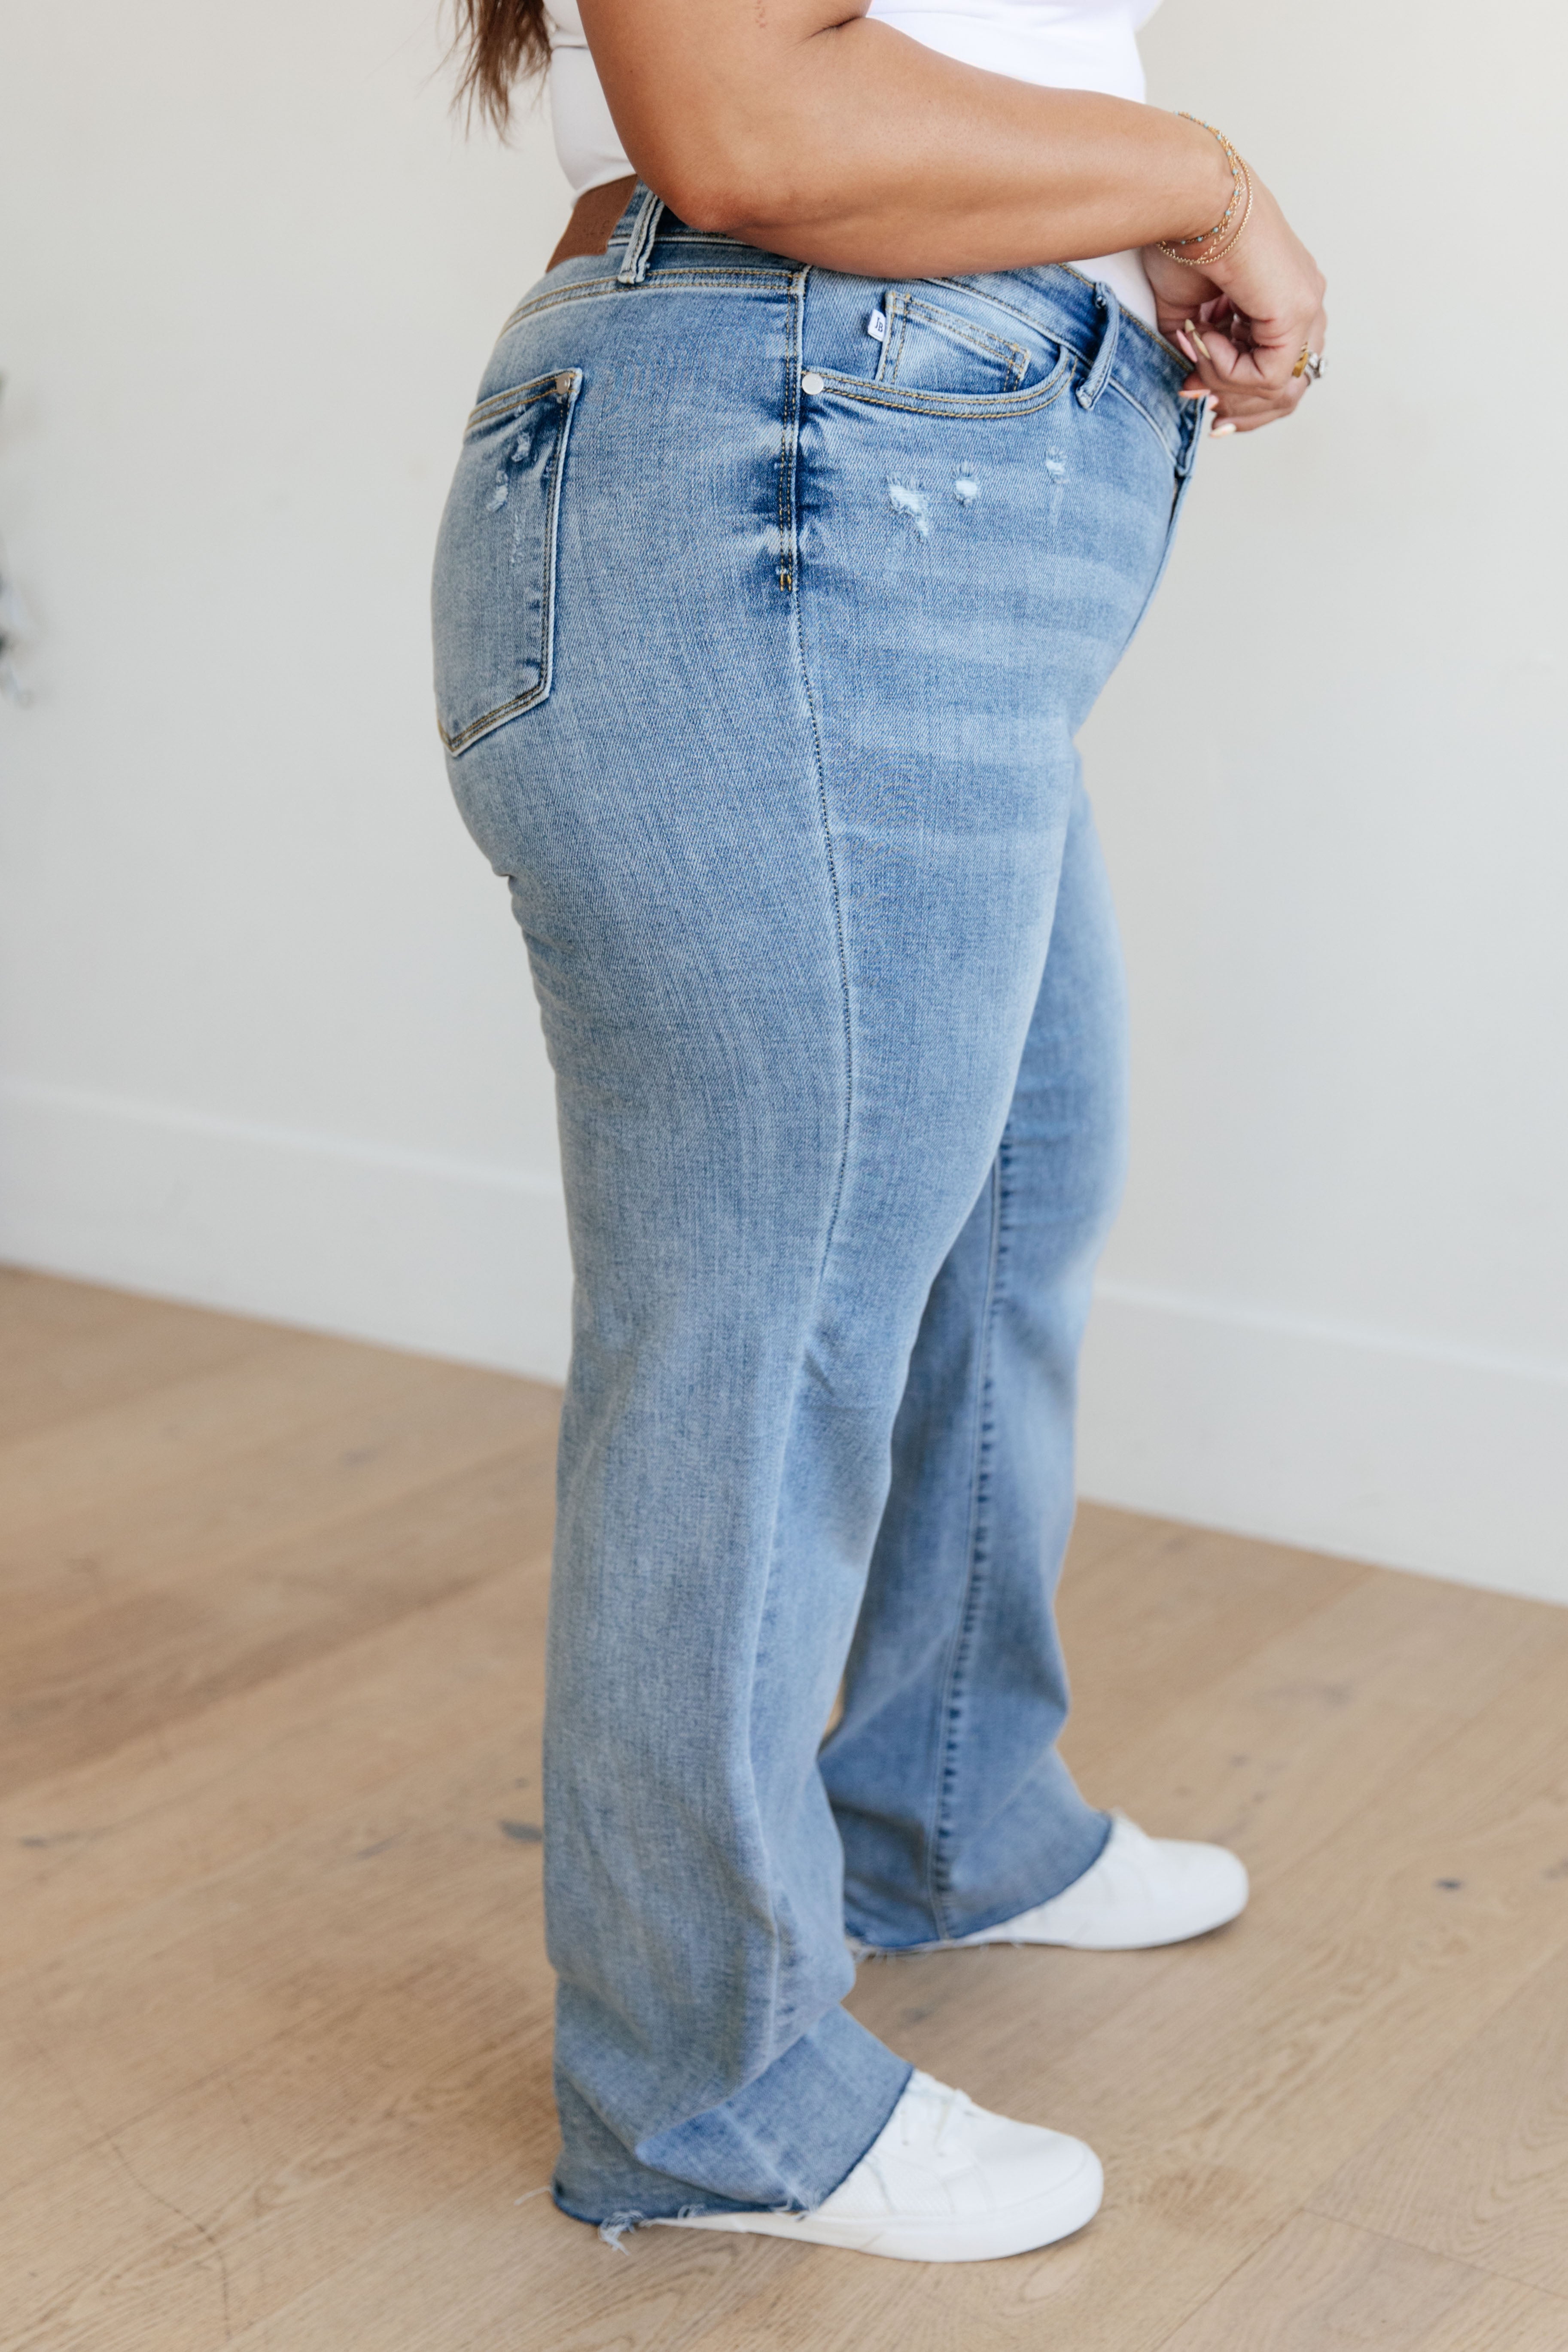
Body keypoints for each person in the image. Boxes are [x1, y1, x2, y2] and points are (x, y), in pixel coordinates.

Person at [433, 0, 1325, 2265]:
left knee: (1012, 1198)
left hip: (898, 483)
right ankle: (703, 2081)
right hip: (800, 474)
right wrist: (1200, 178)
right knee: (769, 1318)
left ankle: (947, 1805)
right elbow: (744, 112)